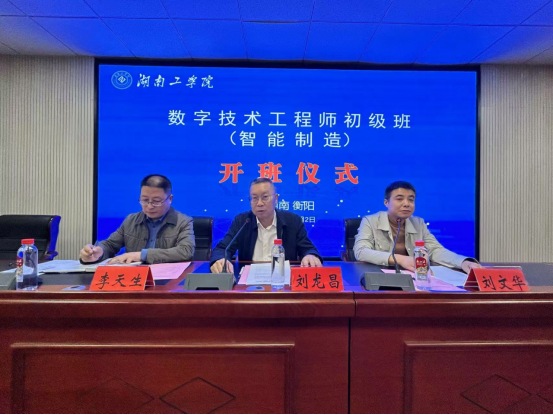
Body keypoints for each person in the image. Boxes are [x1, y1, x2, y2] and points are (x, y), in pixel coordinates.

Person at [354, 181, 480, 273]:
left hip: (414, 277)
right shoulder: (370, 221)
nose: (406, 204)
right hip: (379, 276)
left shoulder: (418, 223)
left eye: (411, 199)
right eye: (399, 199)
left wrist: (462, 262)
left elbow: (435, 250)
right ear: (386, 203)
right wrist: (400, 259)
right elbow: (361, 252)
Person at [210, 178, 322, 274]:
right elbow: (223, 248)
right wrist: (220, 259)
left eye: (265, 197)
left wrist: (310, 255)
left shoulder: (292, 221)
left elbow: (307, 248)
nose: (259, 203)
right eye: (254, 198)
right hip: (248, 284)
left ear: (276, 199)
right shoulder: (242, 221)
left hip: (283, 280)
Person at [80, 174, 195, 265]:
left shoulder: (183, 221)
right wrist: (99, 252)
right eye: (144, 200)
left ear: (170, 199)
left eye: (156, 201)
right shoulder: (131, 220)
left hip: (168, 280)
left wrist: (141, 255)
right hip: (135, 279)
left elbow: (185, 251)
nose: (149, 206)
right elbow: (111, 245)